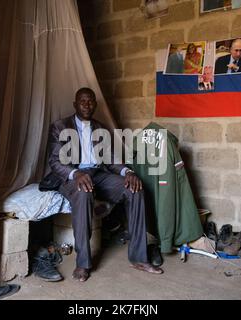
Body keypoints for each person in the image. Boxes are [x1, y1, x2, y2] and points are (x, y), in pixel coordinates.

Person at [42, 87, 163, 282]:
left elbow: (111, 160)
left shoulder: (100, 128)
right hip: (71, 176)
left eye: (90, 101)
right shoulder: (60, 126)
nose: (87, 105)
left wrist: (128, 172)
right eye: (82, 101)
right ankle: (83, 263)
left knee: (135, 189)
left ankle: (139, 257)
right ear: (75, 104)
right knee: (83, 193)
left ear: (95, 105)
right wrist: (76, 173)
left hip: (97, 174)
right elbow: (56, 162)